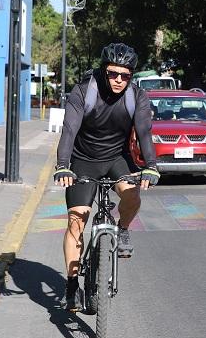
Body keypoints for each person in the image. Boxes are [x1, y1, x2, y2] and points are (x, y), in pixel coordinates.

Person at [53, 43, 159, 312]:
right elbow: (68, 129)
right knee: (77, 219)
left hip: (116, 158)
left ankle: (122, 229)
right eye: (113, 74)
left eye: (125, 75)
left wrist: (151, 165)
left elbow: (145, 133)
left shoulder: (137, 96)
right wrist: (63, 165)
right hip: (83, 160)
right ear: (103, 71)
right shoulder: (84, 91)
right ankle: (71, 285)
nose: (119, 80)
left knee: (132, 194)